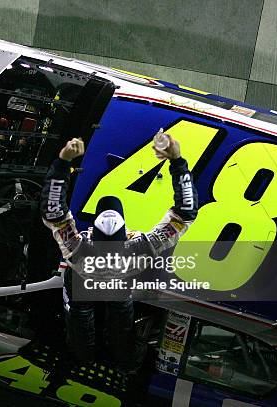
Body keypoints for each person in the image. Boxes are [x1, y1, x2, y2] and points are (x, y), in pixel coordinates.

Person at [40, 134, 198, 369]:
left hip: (83, 289)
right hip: (120, 293)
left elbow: (53, 212)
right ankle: (122, 358)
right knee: (121, 324)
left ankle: (84, 358)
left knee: (80, 322)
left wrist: (63, 162)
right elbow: (186, 212)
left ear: (93, 231)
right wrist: (177, 161)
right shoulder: (140, 247)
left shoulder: (78, 247)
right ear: (126, 233)